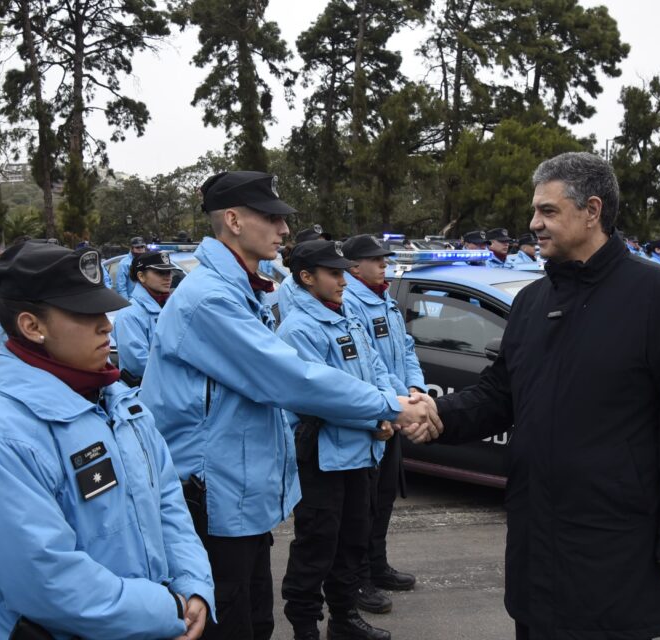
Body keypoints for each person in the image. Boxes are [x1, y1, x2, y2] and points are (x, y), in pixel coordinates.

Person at [406, 152, 660, 640]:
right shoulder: (533, 301)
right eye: (535, 211)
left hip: (616, 547)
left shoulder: (658, 295)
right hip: (537, 541)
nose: (533, 224)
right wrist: (439, 414)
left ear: (592, 211)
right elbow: (501, 393)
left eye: (548, 211)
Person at [142, 170, 441, 640]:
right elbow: (290, 377)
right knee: (234, 622)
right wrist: (391, 406)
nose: (284, 231)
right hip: (214, 495)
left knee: (256, 620)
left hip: (240, 496)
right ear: (235, 221)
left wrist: (393, 401)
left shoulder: (242, 290)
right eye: (274, 219)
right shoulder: (210, 300)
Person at [0, 241, 213, 640]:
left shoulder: (117, 401)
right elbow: (47, 582)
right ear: (33, 327)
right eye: (85, 314)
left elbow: (167, 502)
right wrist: (167, 608)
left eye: (102, 309)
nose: (106, 324)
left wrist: (193, 586)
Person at [278, 240, 399, 640]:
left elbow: (377, 367)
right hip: (323, 458)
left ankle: (344, 619)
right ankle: (305, 628)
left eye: (344, 271)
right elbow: (322, 396)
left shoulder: (347, 314)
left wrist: (386, 409)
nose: (343, 280)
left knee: (352, 543)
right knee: (317, 546)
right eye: (333, 273)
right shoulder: (298, 328)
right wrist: (377, 417)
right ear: (307, 277)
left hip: (361, 454)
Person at [339, 235, 425, 615]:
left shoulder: (384, 297)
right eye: (375, 260)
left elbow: (404, 347)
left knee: (385, 497)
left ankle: (377, 564)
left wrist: (414, 387)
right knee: (364, 505)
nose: (383, 265)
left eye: (384, 259)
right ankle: (359, 580)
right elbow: (366, 364)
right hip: (376, 414)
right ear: (354, 267)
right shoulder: (350, 301)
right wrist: (391, 408)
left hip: (393, 405)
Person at [114, 250, 181, 382]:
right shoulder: (128, 315)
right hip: (146, 393)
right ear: (141, 276)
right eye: (160, 272)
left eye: (169, 272)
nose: (168, 277)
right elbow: (139, 364)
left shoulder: (173, 307)